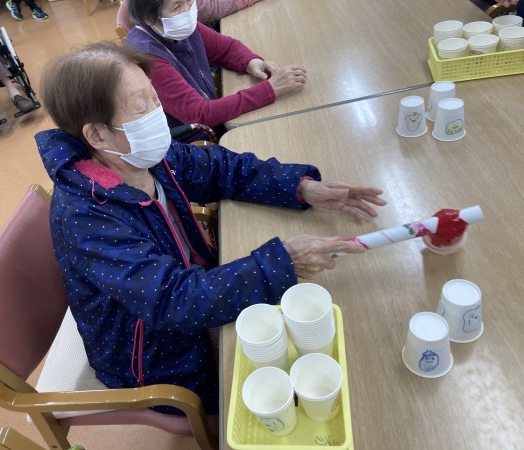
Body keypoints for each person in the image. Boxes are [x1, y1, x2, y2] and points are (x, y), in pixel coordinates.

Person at [36, 41, 385, 415]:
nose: (158, 115)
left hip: (181, 296)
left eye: (155, 98)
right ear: (97, 135)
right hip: (152, 355)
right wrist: (283, 260)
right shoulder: (86, 216)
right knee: (283, 383)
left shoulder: (140, 154)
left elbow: (219, 169)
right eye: (141, 108)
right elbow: (172, 301)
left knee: (301, 338)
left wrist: (299, 187)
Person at [125, 0, 307, 142]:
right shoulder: (148, 57)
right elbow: (201, 114)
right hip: (195, 142)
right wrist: (269, 90)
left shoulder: (176, 26)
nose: (188, 10)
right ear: (149, 18)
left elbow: (225, 48)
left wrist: (252, 62)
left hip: (212, 120)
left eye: (189, 1)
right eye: (177, 7)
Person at [118, 0, 263, 33]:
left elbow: (223, 47)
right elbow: (208, 10)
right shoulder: (184, 20)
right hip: (169, 35)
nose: (188, 7)